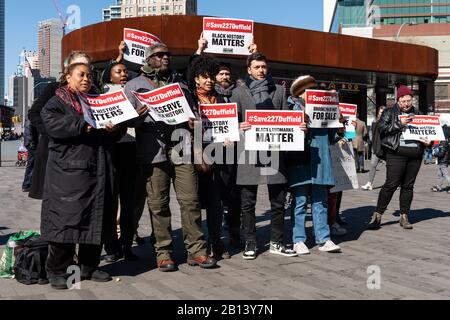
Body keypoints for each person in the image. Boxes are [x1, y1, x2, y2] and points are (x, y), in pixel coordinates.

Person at [125, 42, 217, 272]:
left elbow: (194, 114)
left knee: (191, 201)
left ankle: (197, 251)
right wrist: (137, 116)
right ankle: (163, 253)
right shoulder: (134, 86)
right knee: (158, 205)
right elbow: (124, 122)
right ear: (148, 59)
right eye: (159, 55)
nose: (165, 57)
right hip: (152, 153)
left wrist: (193, 125)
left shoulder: (181, 84)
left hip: (182, 149)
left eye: (167, 54)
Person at [41, 63, 123, 290]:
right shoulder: (57, 102)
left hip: (100, 169)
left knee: (96, 219)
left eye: (89, 75)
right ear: (68, 77)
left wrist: (115, 128)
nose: (86, 79)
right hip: (68, 172)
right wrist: (81, 124)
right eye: (81, 75)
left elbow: (116, 132)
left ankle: (89, 266)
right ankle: (58, 270)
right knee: (66, 220)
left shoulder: (99, 101)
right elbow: (51, 124)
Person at [232, 52, 297, 260]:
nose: (261, 70)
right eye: (257, 67)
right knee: (247, 202)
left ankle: (277, 242)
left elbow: (287, 120)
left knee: (278, 202)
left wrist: (299, 127)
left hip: (274, 153)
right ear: (249, 70)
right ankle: (250, 242)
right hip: (248, 153)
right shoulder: (239, 92)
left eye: (264, 67)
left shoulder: (279, 90)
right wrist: (238, 126)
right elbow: (230, 124)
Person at [286, 75, 343, 255]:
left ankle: (324, 238)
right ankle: (298, 240)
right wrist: (299, 128)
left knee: (321, 201)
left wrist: (339, 127)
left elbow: (333, 137)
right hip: (300, 161)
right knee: (300, 202)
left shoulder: (326, 108)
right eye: (304, 90)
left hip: (321, 161)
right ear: (298, 93)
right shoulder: (291, 108)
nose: (308, 93)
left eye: (311, 89)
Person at [28, 51, 93, 200]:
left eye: (88, 66)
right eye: (78, 65)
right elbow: (34, 114)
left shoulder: (94, 91)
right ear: (68, 70)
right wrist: (52, 132)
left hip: (84, 156)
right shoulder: (54, 89)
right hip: (56, 151)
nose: (84, 71)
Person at [367, 85, 433, 230]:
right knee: (391, 184)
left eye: (409, 100)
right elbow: (381, 129)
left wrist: (429, 142)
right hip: (396, 153)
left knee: (408, 186)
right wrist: (399, 123)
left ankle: (404, 216)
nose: (406, 104)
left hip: (415, 155)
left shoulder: (419, 113)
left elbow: (429, 132)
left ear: (412, 100)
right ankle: (377, 214)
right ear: (398, 100)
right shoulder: (389, 112)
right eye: (403, 101)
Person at [188, 55, 231, 260]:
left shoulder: (222, 99)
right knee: (193, 203)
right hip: (194, 157)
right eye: (205, 76)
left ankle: (216, 241)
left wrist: (230, 138)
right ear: (196, 78)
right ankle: (196, 246)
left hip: (219, 157)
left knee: (216, 203)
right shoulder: (190, 99)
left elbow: (229, 128)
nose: (209, 80)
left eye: (211, 76)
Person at [99, 62, 140, 262]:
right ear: (110, 75)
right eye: (118, 71)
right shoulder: (103, 94)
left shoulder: (134, 92)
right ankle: (112, 248)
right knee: (110, 202)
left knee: (129, 203)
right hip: (112, 151)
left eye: (125, 71)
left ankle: (127, 244)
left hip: (132, 151)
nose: (123, 74)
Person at [361, 105, 386, 191]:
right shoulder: (374, 121)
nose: (381, 113)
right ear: (378, 112)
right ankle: (369, 183)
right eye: (380, 112)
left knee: (391, 166)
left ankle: (393, 182)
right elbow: (371, 132)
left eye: (383, 112)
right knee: (372, 165)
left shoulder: (388, 121)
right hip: (376, 147)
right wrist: (373, 140)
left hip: (386, 148)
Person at [431, 125, 450, 192]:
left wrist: (434, 154)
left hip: (443, 161)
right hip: (444, 160)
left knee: (445, 174)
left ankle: (439, 187)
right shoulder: (445, 141)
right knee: (440, 174)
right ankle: (438, 187)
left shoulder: (443, 142)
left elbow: (441, 153)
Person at [21, 117, 39, 192]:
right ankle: (27, 184)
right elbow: (29, 131)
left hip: (31, 143)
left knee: (32, 164)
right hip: (31, 144)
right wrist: (31, 143)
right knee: (31, 164)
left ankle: (28, 184)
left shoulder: (30, 118)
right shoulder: (30, 118)